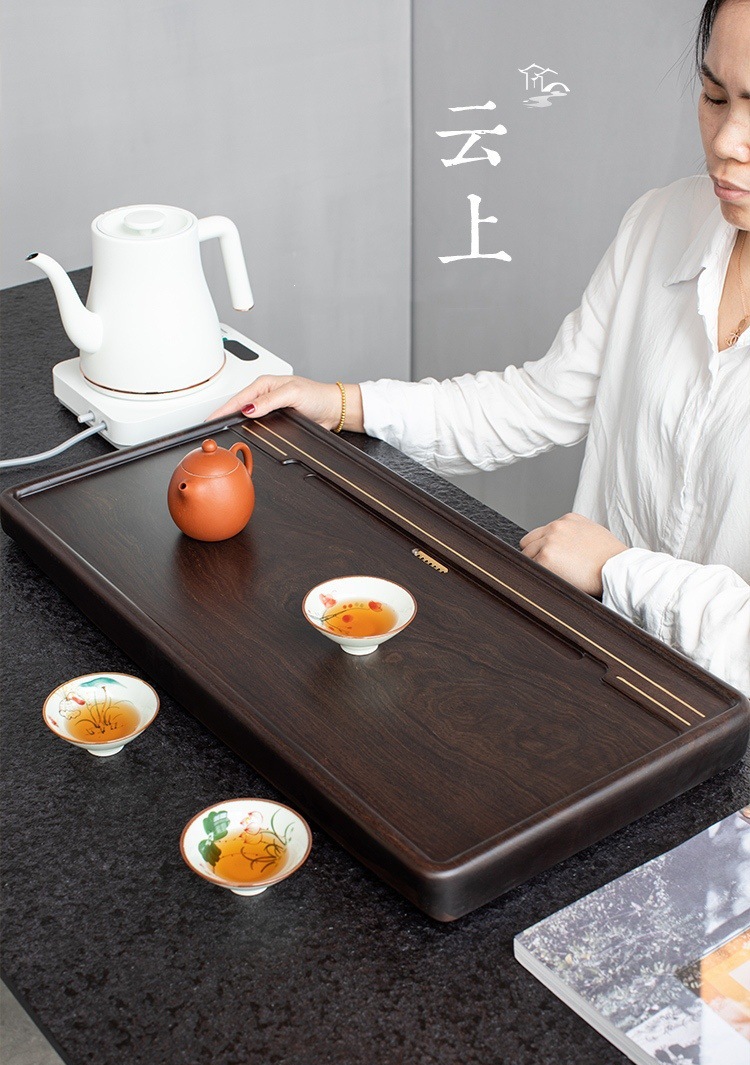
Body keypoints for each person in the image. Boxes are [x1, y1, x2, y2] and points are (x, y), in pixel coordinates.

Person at [210, 0, 750, 697]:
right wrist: (342, 404)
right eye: (714, 96)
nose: (726, 140)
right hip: (604, 672)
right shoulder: (663, 222)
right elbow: (541, 401)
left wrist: (619, 570)